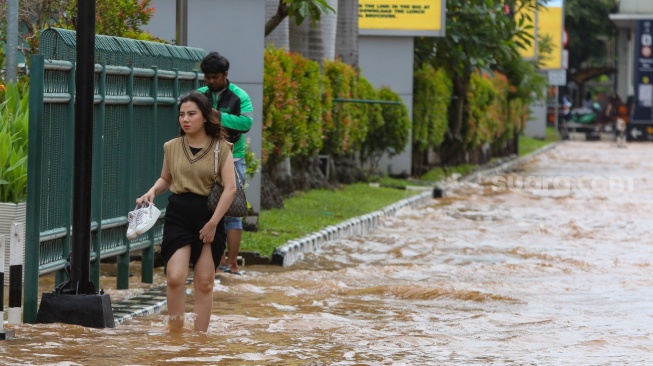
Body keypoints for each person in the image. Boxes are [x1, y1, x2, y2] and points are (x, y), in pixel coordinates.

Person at [136, 91, 237, 332]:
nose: (185, 119)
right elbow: (165, 179)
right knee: (175, 277)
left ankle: (200, 341)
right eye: (182, 115)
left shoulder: (221, 148)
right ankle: (176, 335)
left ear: (205, 116)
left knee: (204, 283)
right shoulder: (171, 147)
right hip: (179, 216)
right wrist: (152, 191)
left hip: (209, 217)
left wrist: (213, 224)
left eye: (191, 114)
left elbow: (230, 189)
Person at [197, 51, 253, 275]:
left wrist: (217, 116)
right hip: (204, 159)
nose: (210, 82)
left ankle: (232, 263)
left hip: (233, 157)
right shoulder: (199, 95)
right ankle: (215, 261)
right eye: (207, 77)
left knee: (232, 212)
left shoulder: (240, 96)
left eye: (215, 77)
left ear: (225, 75)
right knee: (208, 212)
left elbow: (246, 123)